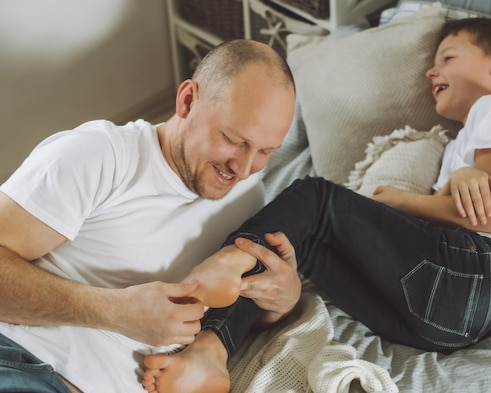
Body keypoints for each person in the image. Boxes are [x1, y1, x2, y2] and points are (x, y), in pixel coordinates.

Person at [141, 17, 491, 393]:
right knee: (294, 250)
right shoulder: (463, 141)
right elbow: (468, 215)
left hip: (479, 275)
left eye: (448, 57)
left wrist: (406, 201)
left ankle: (231, 257)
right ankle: (212, 350)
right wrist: (453, 183)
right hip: (453, 322)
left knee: (315, 198)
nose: (432, 71)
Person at [0, 39, 301, 393]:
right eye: (233, 139)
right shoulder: (100, 155)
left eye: (265, 151)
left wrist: (282, 302)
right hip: (26, 364)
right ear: (188, 101)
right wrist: (115, 311)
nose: (245, 168)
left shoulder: (249, 198)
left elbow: (234, 312)